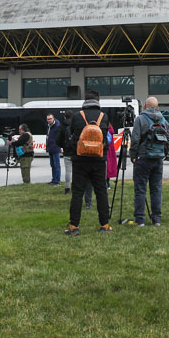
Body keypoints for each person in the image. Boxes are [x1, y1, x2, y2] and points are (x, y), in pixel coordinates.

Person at [64, 92, 112, 235]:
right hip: (98, 160)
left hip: (80, 160)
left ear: (85, 101)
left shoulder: (78, 116)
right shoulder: (104, 116)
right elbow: (105, 139)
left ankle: (74, 227)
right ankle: (104, 224)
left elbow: (72, 136)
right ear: (98, 101)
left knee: (78, 193)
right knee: (101, 192)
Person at [125, 96, 169, 227]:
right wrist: (164, 153)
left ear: (145, 106)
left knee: (140, 190)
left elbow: (135, 139)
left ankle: (140, 220)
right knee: (156, 189)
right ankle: (156, 219)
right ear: (157, 107)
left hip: (143, 158)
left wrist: (133, 155)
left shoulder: (140, 119)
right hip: (158, 159)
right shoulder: (163, 119)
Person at [57, 110, 75, 194]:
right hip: (76, 151)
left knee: (68, 171)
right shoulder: (76, 124)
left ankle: (67, 188)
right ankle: (75, 187)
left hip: (67, 150)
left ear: (65, 117)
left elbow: (58, 139)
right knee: (76, 171)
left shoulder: (62, 126)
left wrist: (62, 146)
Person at [45, 113, 62, 186]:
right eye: (48, 119)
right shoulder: (49, 126)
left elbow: (60, 137)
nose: (49, 120)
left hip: (56, 148)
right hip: (50, 148)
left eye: (50, 119)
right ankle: (53, 180)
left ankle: (57, 181)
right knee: (52, 165)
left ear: (53, 118)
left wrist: (61, 147)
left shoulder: (57, 126)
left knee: (56, 165)